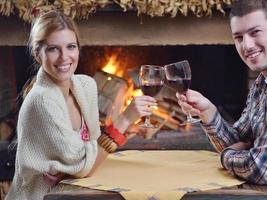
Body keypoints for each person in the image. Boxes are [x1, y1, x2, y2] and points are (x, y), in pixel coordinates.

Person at [5, 10, 157, 200]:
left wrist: (73, 169)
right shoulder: (43, 100)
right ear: (37, 55)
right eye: (53, 49)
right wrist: (124, 119)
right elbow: (86, 165)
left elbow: (90, 154)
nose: (64, 57)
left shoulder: (85, 86)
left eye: (70, 46)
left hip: (74, 192)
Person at [176, 0, 267, 199]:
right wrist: (208, 112)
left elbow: (262, 168)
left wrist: (227, 157)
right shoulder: (264, 81)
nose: (247, 45)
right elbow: (238, 141)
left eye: (255, 32)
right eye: (239, 37)